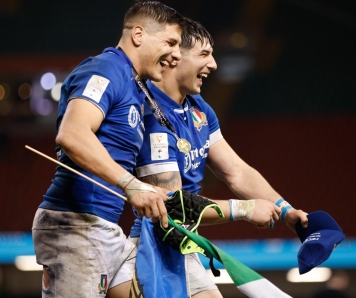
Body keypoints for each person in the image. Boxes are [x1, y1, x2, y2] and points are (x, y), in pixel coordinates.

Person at [131, 18, 309, 297]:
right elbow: (172, 205)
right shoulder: (151, 114)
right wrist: (246, 210)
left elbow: (235, 170)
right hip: (153, 248)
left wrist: (285, 210)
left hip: (182, 246)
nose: (214, 64)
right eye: (204, 54)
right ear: (174, 56)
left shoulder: (198, 108)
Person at [31, 2, 184, 297]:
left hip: (104, 228)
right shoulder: (106, 69)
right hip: (76, 225)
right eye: (171, 42)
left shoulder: (135, 87)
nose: (177, 53)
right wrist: (131, 185)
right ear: (138, 34)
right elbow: (73, 134)